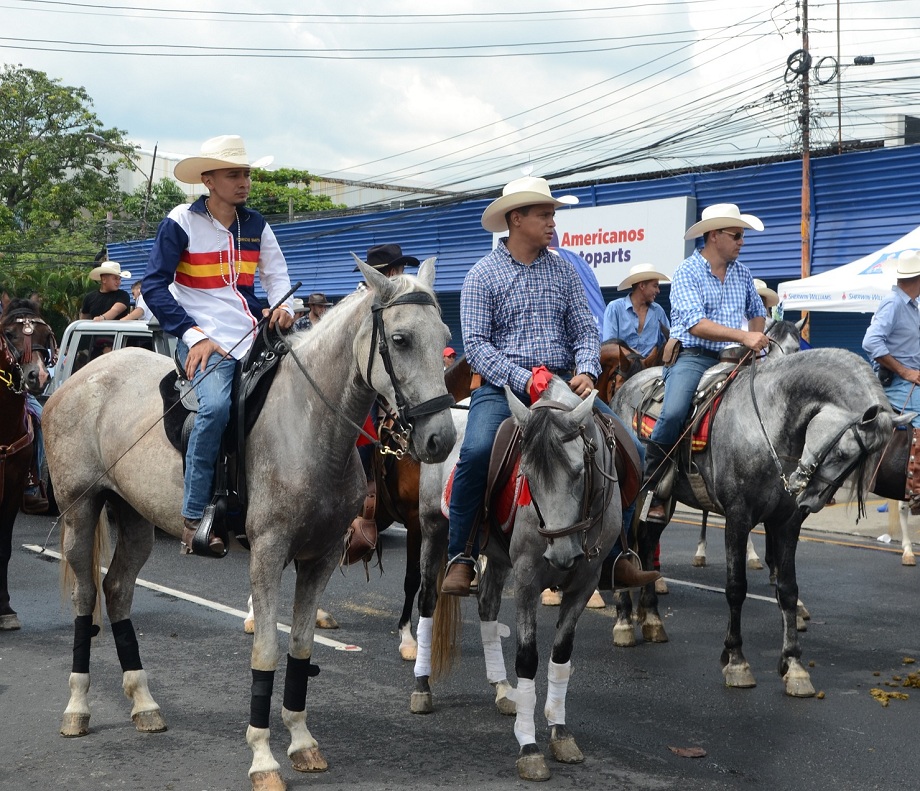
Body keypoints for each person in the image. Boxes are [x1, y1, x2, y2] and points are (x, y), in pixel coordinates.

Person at [441, 175, 659, 596]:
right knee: (477, 451)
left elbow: (583, 328)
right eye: (543, 214)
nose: (551, 222)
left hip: (563, 386)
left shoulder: (564, 269)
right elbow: (478, 347)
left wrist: (585, 370)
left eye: (552, 214)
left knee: (631, 448)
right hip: (504, 389)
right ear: (516, 218)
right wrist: (525, 379)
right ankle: (461, 556)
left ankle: (616, 553)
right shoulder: (481, 275)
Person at [143, 134, 294, 557]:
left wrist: (283, 308)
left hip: (254, 335)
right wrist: (193, 336)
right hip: (205, 339)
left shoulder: (257, 224)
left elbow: (277, 277)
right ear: (208, 180)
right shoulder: (180, 221)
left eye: (245, 173)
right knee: (215, 408)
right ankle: (193, 520)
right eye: (233, 174)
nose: (243, 181)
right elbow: (155, 285)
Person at [642, 203, 770, 522]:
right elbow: (695, 324)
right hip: (694, 356)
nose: (742, 241)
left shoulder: (742, 273)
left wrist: (754, 341)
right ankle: (651, 487)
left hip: (736, 360)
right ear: (714, 236)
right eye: (737, 235)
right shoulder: (688, 271)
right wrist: (744, 338)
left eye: (742, 236)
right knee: (672, 414)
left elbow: (757, 310)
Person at [350, 244, 421, 561]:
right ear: (385, 274)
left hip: (387, 385)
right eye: (396, 270)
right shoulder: (360, 305)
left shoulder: (400, 303)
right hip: (358, 386)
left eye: (401, 270)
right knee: (364, 438)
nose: (400, 275)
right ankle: (362, 506)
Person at [862, 251, 920, 428]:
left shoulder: (910, 306)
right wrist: (904, 372)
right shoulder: (894, 303)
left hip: (908, 384)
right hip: (900, 385)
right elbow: (871, 342)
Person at [602, 262, 671, 354]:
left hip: (651, 367)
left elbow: (668, 341)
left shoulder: (658, 311)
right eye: (655, 286)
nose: (658, 291)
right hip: (622, 367)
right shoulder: (615, 308)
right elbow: (609, 347)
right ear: (642, 286)